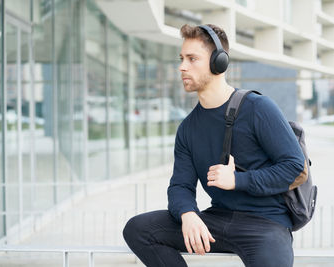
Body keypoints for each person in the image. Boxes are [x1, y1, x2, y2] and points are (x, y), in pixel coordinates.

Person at [123, 23, 308, 267]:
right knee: (138, 229)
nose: (182, 67)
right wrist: (188, 214)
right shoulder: (188, 128)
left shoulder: (257, 108)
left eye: (192, 59)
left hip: (265, 224)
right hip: (217, 220)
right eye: (181, 58)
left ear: (218, 62)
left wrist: (238, 181)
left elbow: (294, 166)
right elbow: (180, 186)